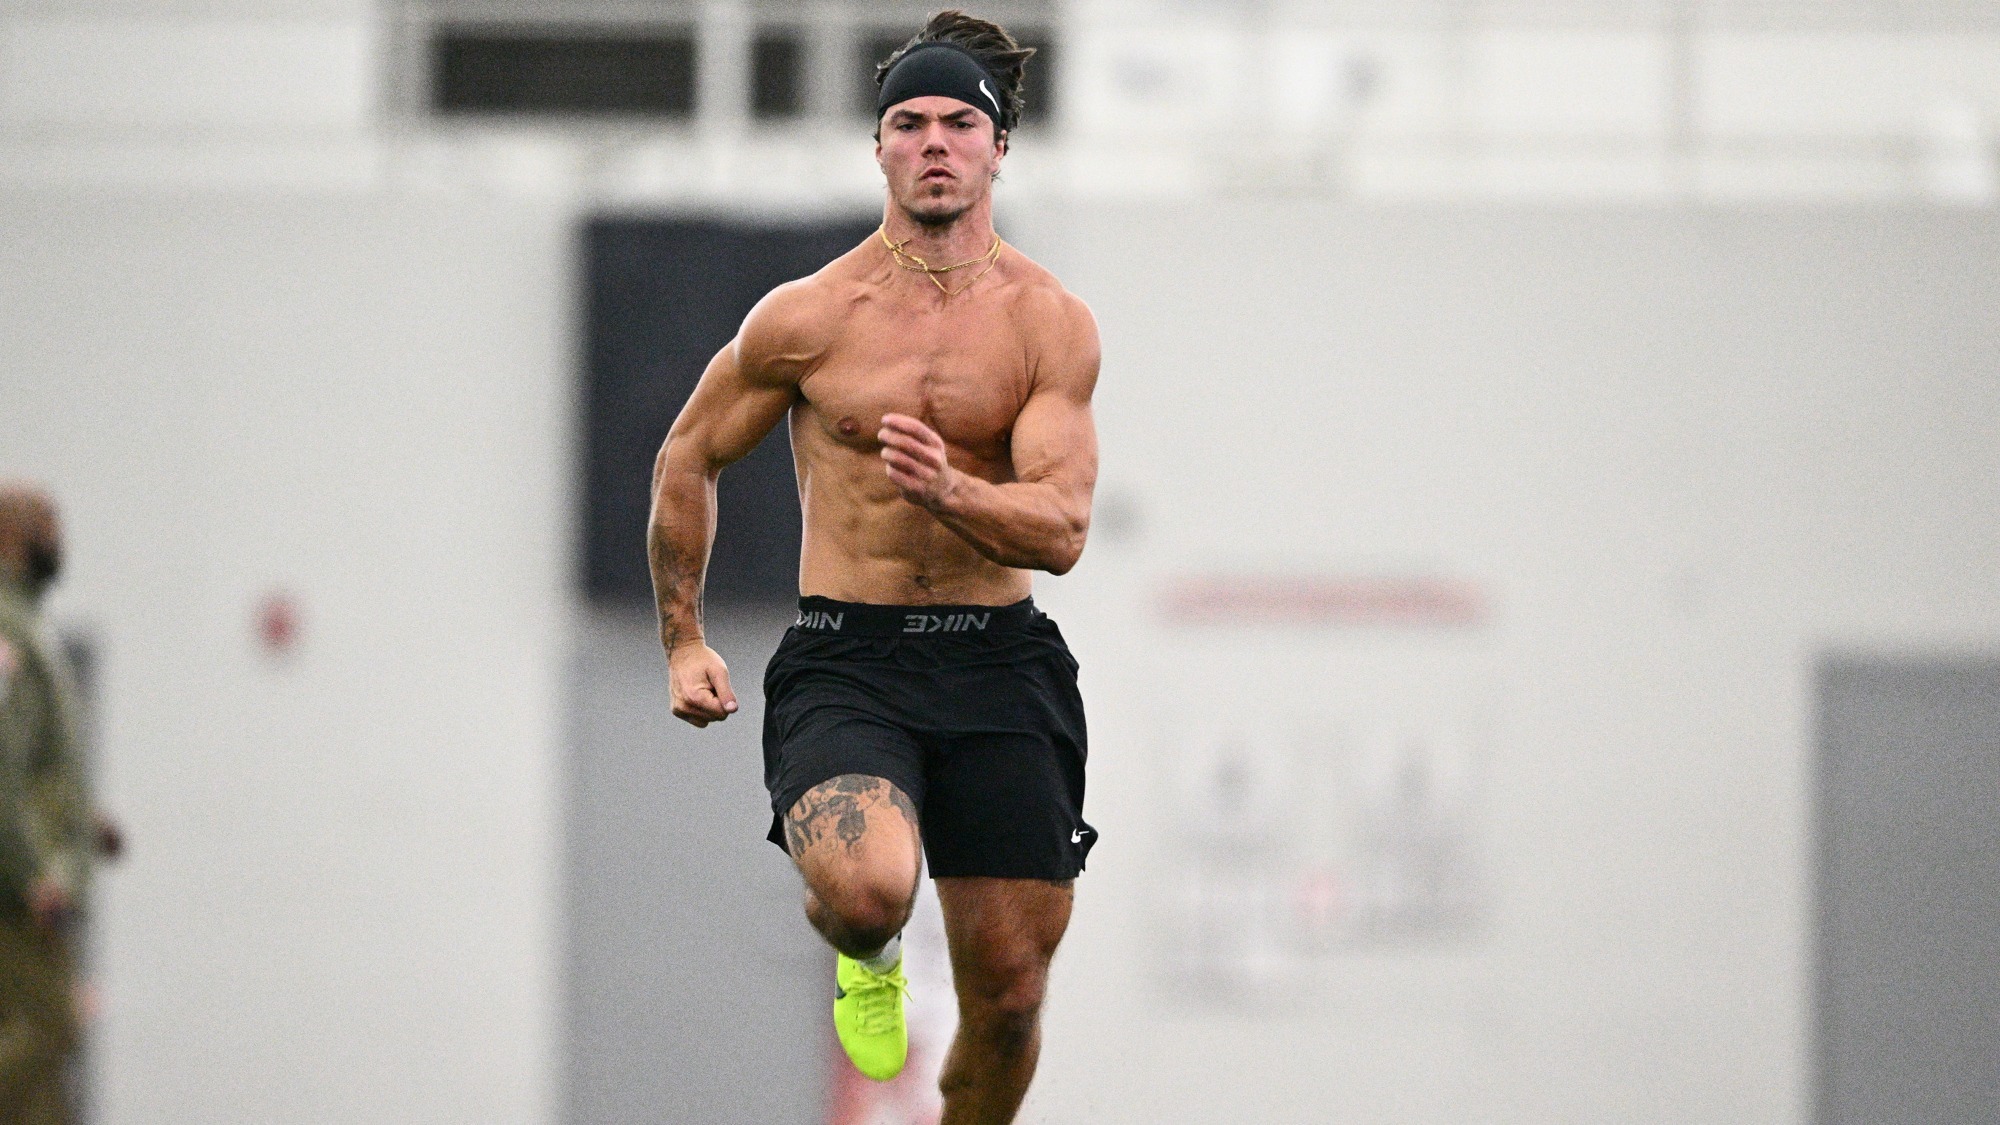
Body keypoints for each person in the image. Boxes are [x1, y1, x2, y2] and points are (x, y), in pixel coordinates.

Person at [646, 11, 1100, 1123]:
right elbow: (688, 456)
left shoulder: (1048, 323)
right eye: (909, 123)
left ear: (998, 148)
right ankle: (866, 951)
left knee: (1009, 995)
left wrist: (952, 491)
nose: (934, 142)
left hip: (1000, 666)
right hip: (851, 658)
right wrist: (683, 637)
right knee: (867, 891)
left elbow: (1061, 531)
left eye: (959, 123)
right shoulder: (809, 316)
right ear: (880, 147)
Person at [0, 484, 95, 1124]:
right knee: (47, 1028)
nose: (57, 543)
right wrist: (32, 873)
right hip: (22, 892)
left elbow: (36, 766)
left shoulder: (30, 627)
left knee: (44, 1076)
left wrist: (82, 826)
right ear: (11, 539)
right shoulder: (11, 633)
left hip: (30, 882)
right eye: (46, 528)